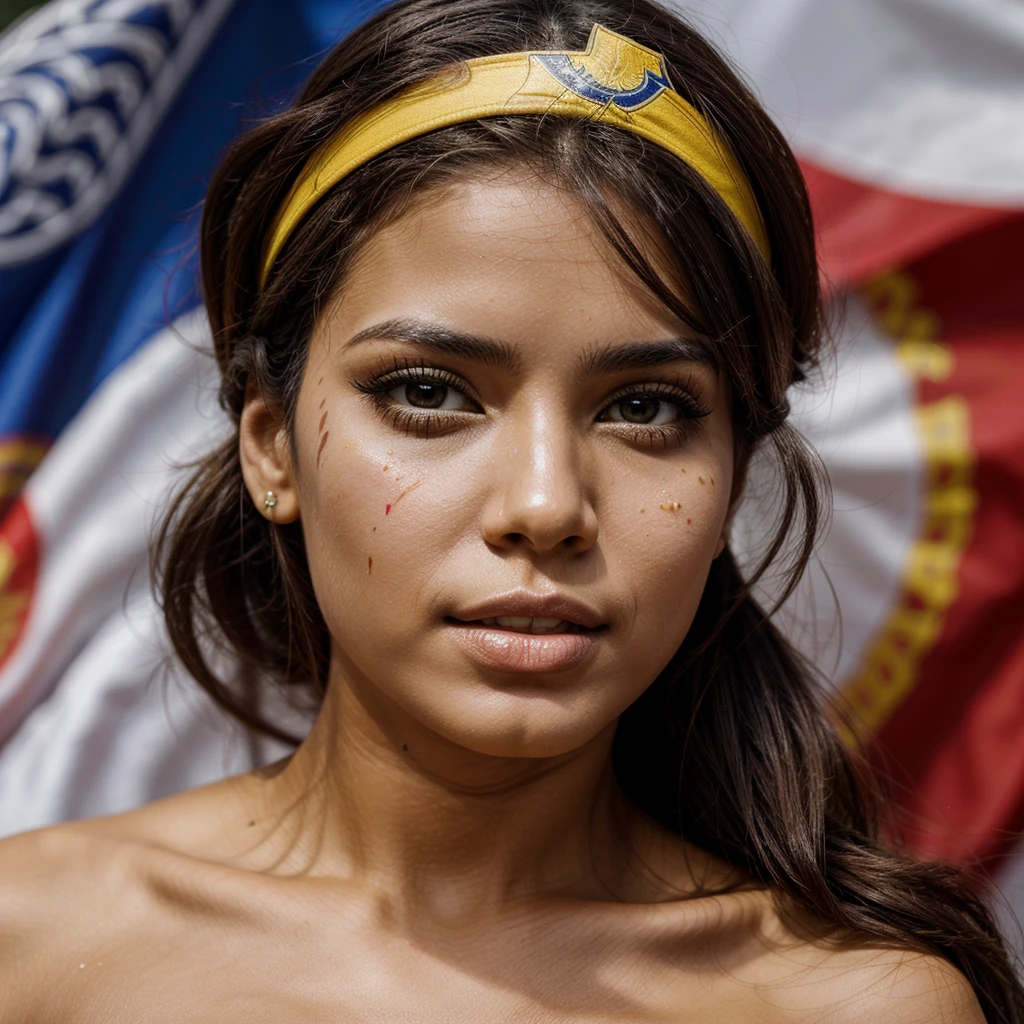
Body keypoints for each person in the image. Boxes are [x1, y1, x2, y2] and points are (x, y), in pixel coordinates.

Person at [1, 0, 1021, 1019]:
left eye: (643, 409)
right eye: (429, 392)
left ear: (733, 479)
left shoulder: (853, 1003)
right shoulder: (32, 940)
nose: (544, 507)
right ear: (271, 448)